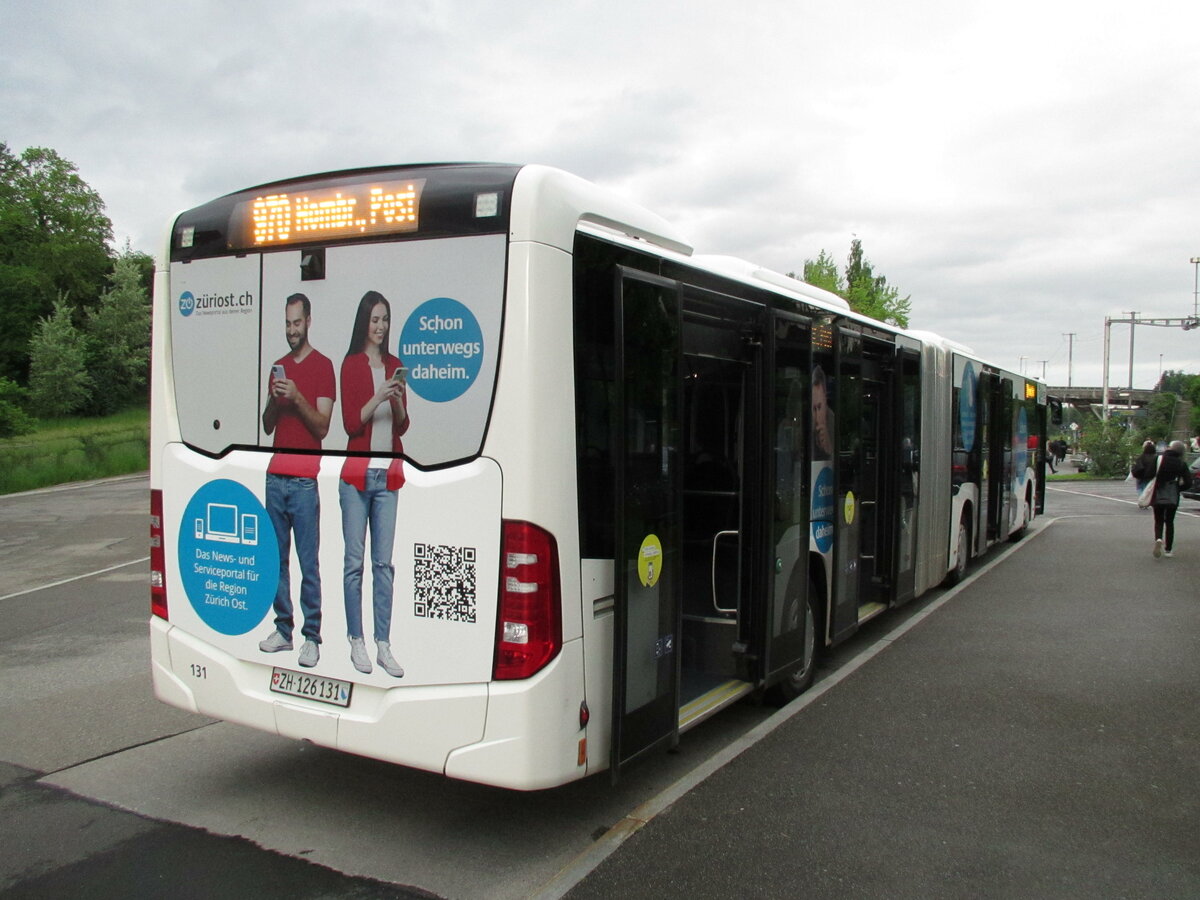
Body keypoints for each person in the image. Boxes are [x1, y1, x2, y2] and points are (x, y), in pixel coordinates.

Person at [259, 293, 335, 667]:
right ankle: (283, 630)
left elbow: (322, 427)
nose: (292, 330)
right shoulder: (278, 367)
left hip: (305, 482)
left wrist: (297, 396)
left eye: (297, 322)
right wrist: (276, 400)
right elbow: (266, 425)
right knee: (276, 560)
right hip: (275, 478)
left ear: (309, 321)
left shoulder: (324, 366)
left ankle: (312, 637)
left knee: (308, 563)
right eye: (287, 324)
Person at [338, 291, 410, 678]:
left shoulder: (395, 365)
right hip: (356, 477)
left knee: (383, 565)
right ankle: (357, 640)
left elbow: (403, 425)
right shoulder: (351, 364)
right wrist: (378, 395)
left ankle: (384, 644)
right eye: (375, 319)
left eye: (385, 320)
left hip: (388, 477)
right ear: (364, 322)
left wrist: (395, 399)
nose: (380, 327)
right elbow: (351, 424)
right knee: (354, 564)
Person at [1150, 440, 1193, 558]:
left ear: (1169, 448)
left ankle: (1158, 539)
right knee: (1169, 521)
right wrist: (1178, 488)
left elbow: (1149, 474)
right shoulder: (1181, 463)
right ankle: (1168, 549)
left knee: (1158, 520)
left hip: (1158, 492)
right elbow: (1188, 482)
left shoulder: (1158, 460)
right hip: (1172, 494)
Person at [812, 364, 835, 461]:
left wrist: (829, 448)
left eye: (819, 407)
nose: (817, 418)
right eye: (813, 409)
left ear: (825, 399)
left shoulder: (831, 420)